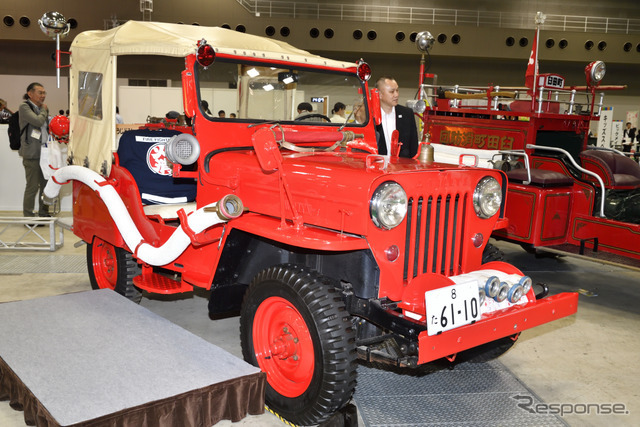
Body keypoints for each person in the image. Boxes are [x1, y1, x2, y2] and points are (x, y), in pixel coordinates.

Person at [18, 82, 50, 218]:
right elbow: (37, 121)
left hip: (45, 152)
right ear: (30, 94)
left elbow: (45, 126)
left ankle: (43, 212)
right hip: (31, 153)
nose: (43, 96)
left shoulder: (42, 108)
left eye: (44, 93)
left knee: (45, 185)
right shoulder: (24, 107)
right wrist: (44, 110)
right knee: (32, 186)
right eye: (40, 93)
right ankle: (28, 215)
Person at [375, 76, 418, 158]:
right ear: (379, 94)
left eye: (397, 90)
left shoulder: (407, 114)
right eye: (392, 92)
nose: (396, 95)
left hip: (401, 168)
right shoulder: (370, 116)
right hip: (377, 167)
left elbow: (413, 146)